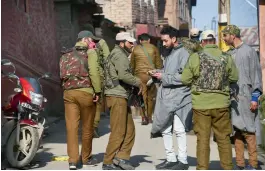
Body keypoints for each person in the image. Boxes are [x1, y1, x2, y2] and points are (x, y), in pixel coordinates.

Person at [181, 30, 238, 170]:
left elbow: (185, 79)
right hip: (222, 104)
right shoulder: (226, 57)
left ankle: (202, 168)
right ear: (214, 41)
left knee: (203, 139)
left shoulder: (195, 57)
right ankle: (228, 168)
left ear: (203, 42)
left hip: (201, 105)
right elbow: (234, 78)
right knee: (224, 139)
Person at [150, 26, 192, 170]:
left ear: (174, 39)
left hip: (180, 97)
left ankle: (183, 161)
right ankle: (171, 159)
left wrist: (164, 76)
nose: (163, 43)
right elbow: (169, 72)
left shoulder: (184, 54)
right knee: (165, 129)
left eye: (165, 40)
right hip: (167, 98)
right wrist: (157, 73)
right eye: (162, 41)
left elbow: (185, 77)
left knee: (179, 130)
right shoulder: (168, 53)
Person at [222, 25, 263, 170]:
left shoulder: (249, 52)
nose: (224, 39)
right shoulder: (229, 53)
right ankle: (240, 164)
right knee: (236, 131)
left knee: (249, 131)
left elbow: (256, 77)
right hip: (233, 99)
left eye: (225, 36)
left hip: (246, 98)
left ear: (233, 35)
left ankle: (253, 164)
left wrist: (254, 97)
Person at [59, 30, 101, 170]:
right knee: (87, 127)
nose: (93, 43)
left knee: (71, 128)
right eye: (92, 40)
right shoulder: (90, 53)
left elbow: (61, 75)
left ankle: (72, 161)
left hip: (69, 94)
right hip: (86, 93)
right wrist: (98, 91)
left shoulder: (65, 55)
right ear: (86, 40)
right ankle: (86, 158)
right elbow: (94, 73)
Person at [102, 32, 143, 170]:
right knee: (119, 131)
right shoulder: (119, 55)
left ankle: (121, 158)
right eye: (129, 42)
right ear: (121, 43)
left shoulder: (119, 54)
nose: (132, 44)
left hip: (121, 95)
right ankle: (108, 161)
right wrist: (139, 82)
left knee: (130, 130)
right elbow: (123, 75)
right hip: (117, 96)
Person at [130, 33, 163, 125]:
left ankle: (143, 117)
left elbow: (132, 65)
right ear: (149, 40)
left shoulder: (135, 49)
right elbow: (159, 64)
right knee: (151, 97)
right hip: (151, 76)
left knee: (141, 97)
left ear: (140, 41)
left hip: (139, 76)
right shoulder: (154, 48)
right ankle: (149, 117)